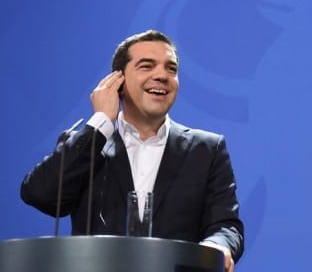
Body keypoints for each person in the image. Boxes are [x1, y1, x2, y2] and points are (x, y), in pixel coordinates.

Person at [21, 30, 244, 271]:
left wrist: (217, 246)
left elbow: (226, 225)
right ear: (118, 81)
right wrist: (100, 123)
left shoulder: (207, 149)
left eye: (171, 69)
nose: (162, 75)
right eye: (147, 66)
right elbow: (40, 195)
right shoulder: (87, 144)